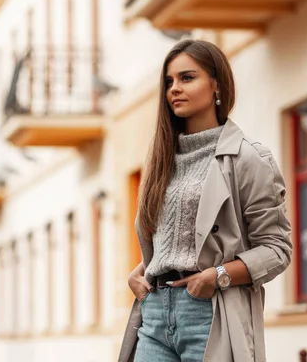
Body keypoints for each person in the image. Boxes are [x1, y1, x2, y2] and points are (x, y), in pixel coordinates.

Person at [118, 39, 293, 362]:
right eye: (169, 82)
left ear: (216, 84)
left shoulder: (248, 158)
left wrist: (218, 275)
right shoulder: (160, 161)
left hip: (210, 311)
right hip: (155, 311)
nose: (174, 89)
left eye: (187, 78)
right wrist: (142, 270)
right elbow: (177, 238)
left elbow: (277, 250)